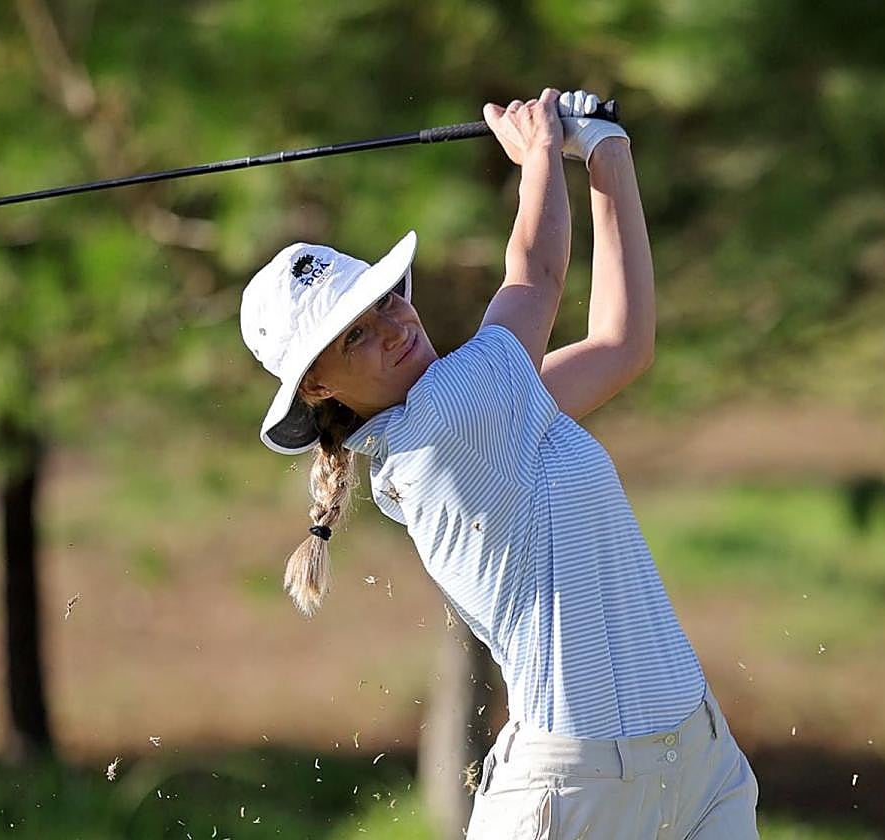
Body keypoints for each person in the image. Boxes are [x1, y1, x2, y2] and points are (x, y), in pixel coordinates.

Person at [239, 87, 759, 839]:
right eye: (355, 336)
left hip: (699, 762)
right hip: (576, 795)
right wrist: (541, 149)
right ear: (317, 387)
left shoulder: (488, 415)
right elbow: (536, 275)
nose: (394, 325)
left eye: (385, 300)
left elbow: (622, 343)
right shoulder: (449, 423)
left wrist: (608, 155)